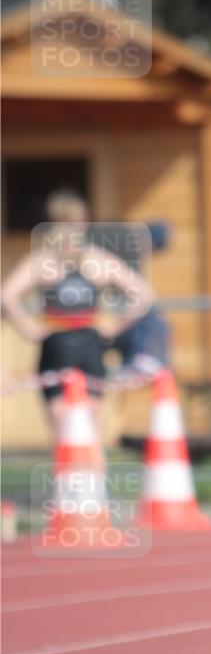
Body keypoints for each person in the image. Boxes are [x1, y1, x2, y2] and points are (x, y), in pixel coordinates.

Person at [1, 189, 154, 470]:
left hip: (58, 345)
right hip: (89, 344)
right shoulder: (98, 260)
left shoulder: (42, 261)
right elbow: (142, 294)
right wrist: (113, 327)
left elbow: (6, 295)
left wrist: (29, 328)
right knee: (90, 428)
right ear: (83, 222)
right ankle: (94, 497)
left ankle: (69, 497)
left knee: (63, 429)